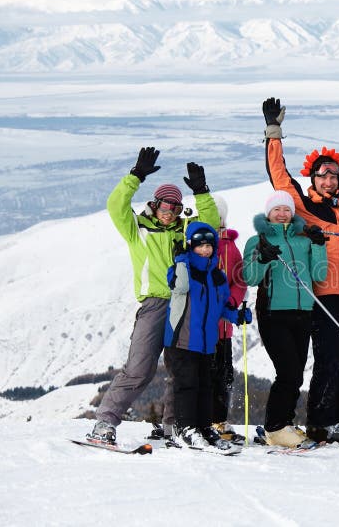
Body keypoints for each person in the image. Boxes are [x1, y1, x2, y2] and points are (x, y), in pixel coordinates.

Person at [261, 97, 339, 444]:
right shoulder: (305, 208)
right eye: (323, 174)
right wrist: (274, 133)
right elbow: (280, 178)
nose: (330, 179)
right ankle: (321, 421)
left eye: (334, 174)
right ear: (313, 178)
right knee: (328, 359)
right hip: (324, 295)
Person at [89, 147, 218, 444]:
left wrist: (201, 191)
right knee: (139, 369)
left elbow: (209, 225)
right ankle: (105, 423)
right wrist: (135, 175)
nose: (169, 212)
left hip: (184, 305)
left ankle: (174, 426)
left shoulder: (185, 231)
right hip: (155, 304)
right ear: (154, 204)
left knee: (181, 370)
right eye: (165, 206)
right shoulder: (137, 229)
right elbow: (115, 206)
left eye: (174, 207)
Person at [243, 191, 328, 447]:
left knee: (296, 373)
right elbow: (250, 278)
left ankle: (284, 423)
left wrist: (318, 245)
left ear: (293, 214)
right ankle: (275, 427)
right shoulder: (256, 240)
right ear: (268, 213)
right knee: (288, 371)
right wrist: (263, 258)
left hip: (303, 313)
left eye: (286, 210)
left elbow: (319, 274)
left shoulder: (303, 241)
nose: (282, 214)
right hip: (273, 313)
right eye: (276, 209)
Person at [164, 222, 252, 450]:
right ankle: (185, 429)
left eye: (208, 246)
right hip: (182, 340)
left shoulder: (217, 277)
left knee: (205, 386)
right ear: (190, 246)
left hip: (206, 343)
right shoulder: (180, 270)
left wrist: (237, 316)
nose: (204, 250)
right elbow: (180, 287)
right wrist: (181, 260)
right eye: (199, 246)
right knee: (187, 385)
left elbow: (221, 307)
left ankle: (204, 427)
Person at [209, 195, 248, 441]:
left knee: (224, 374)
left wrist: (233, 301)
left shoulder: (230, 247)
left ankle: (219, 421)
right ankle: (201, 420)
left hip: (224, 327)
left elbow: (240, 279)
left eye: (219, 217)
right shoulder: (197, 245)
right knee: (205, 373)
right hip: (202, 328)